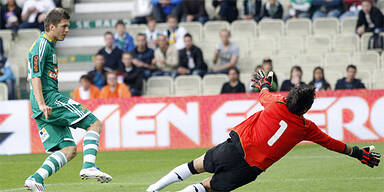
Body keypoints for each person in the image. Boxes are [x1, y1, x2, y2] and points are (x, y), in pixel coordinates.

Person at [146, 73, 380, 192]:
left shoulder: (276, 104)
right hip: (249, 169)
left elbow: (263, 94)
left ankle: (152, 189)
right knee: (206, 187)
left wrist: (265, 84)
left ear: (289, 97)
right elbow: (333, 144)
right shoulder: (307, 128)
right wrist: (358, 153)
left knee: (193, 166)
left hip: (233, 148)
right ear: (307, 108)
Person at [25, 8, 112, 192]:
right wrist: (42, 103)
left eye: (68, 26)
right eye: (64, 26)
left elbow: (31, 73)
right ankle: (88, 166)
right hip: (49, 100)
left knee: (69, 150)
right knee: (94, 124)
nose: (67, 30)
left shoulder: (47, 45)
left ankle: (36, 179)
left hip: (43, 104)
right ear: (51, 26)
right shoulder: (41, 44)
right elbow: (35, 76)